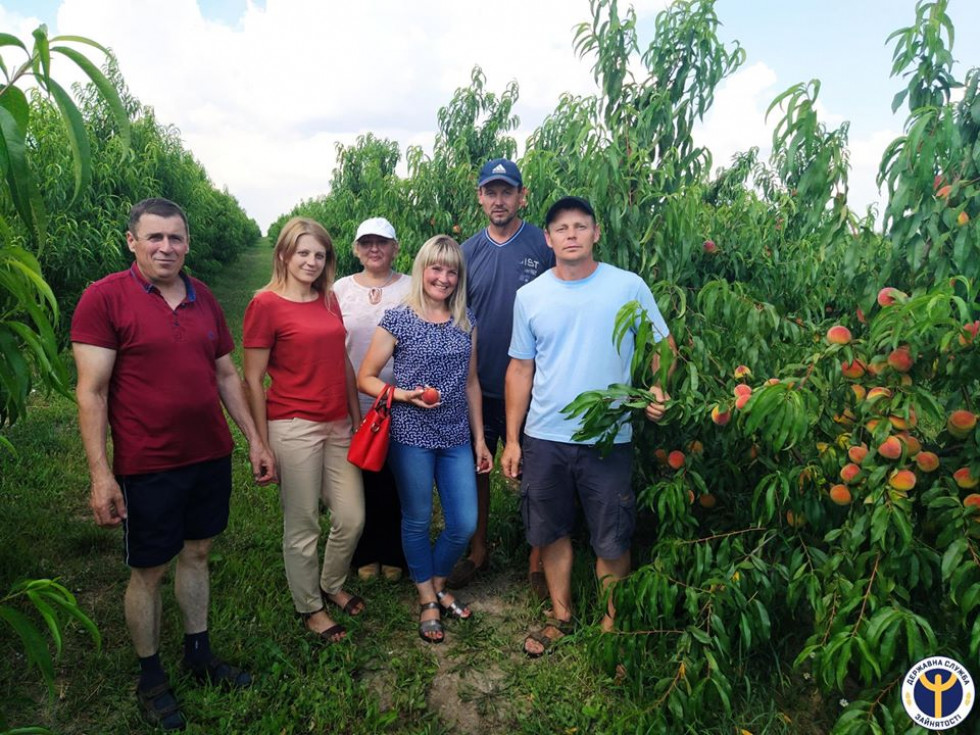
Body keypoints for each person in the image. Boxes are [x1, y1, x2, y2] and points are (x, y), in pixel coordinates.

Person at [71, 198, 277, 731]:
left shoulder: (203, 297)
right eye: (155, 237)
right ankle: (151, 675)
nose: (166, 247)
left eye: (176, 238)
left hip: (208, 454)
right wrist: (101, 474)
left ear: (187, 243)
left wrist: (254, 440)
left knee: (199, 552)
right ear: (132, 241)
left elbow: (226, 376)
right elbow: (92, 391)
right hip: (149, 463)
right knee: (149, 569)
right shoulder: (104, 299)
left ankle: (198, 653)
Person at [501, 196, 674, 657]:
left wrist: (658, 388)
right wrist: (513, 440)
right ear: (548, 239)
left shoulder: (627, 286)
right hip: (545, 436)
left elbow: (663, 345)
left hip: (608, 437)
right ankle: (561, 615)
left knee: (611, 535)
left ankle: (612, 626)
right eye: (562, 228)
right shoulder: (531, 296)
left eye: (581, 226)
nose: (571, 235)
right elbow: (520, 368)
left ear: (596, 233)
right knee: (550, 530)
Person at [358, 235, 493, 644]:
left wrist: (480, 439)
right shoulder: (399, 318)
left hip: (454, 436)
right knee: (416, 518)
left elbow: (471, 383)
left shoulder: (466, 320)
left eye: (452, 271)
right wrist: (403, 395)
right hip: (410, 435)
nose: (444, 278)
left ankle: (435, 580)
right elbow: (365, 377)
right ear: (422, 270)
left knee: (464, 522)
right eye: (436, 268)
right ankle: (427, 597)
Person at [243, 217, 366, 646]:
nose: (312, 262)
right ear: (283, 254)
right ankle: (310, 606)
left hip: (338, 423)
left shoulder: (328, 300)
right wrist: (260, 443)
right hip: (293, 424)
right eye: (303, 253)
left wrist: (356, 417)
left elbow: (342, 360)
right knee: (303, 523)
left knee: (351, 516)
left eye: (320, 255)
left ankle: (331, 583)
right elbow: (253, 378)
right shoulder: (265, 305)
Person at [449, 158, 555, 597]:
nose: (498, 200)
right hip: (477, 385)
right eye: (490, 192)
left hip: (532, 385)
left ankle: (537, 559)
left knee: (536, 473)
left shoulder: (542, 245)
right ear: (480, 197)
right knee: (477, 469)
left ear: (521, 197)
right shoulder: (466, 253)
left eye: (506, 192)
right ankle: (478, 550)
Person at [333, 217, 411, 582]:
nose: (374, 249)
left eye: (382, 242)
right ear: (356, 249)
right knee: (361, 478)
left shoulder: (411, 287)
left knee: (396, 479)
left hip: (402, 400)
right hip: (355, 399)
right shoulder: (340, 289)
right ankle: (365, 552)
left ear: (396, 248)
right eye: (366, 243)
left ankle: (393, 551)